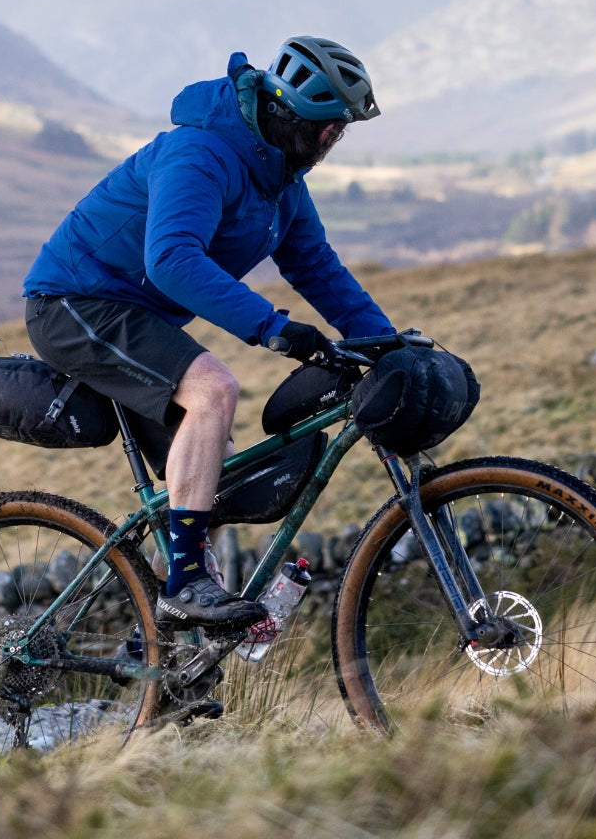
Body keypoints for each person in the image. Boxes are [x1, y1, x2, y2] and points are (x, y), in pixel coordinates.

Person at [22, 37, 393, 629]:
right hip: (75, 303)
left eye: (341, 130)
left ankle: (162, 649)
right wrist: (273, 328)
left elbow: (316, 268)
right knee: (214, 389)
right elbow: (171, 258)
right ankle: (187, 584)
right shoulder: (200, 153)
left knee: (215, 478)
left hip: (139, 319)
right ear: (290, 113)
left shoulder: (281, 183)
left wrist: (386, 343)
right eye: (329, 126)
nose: (333, 139)